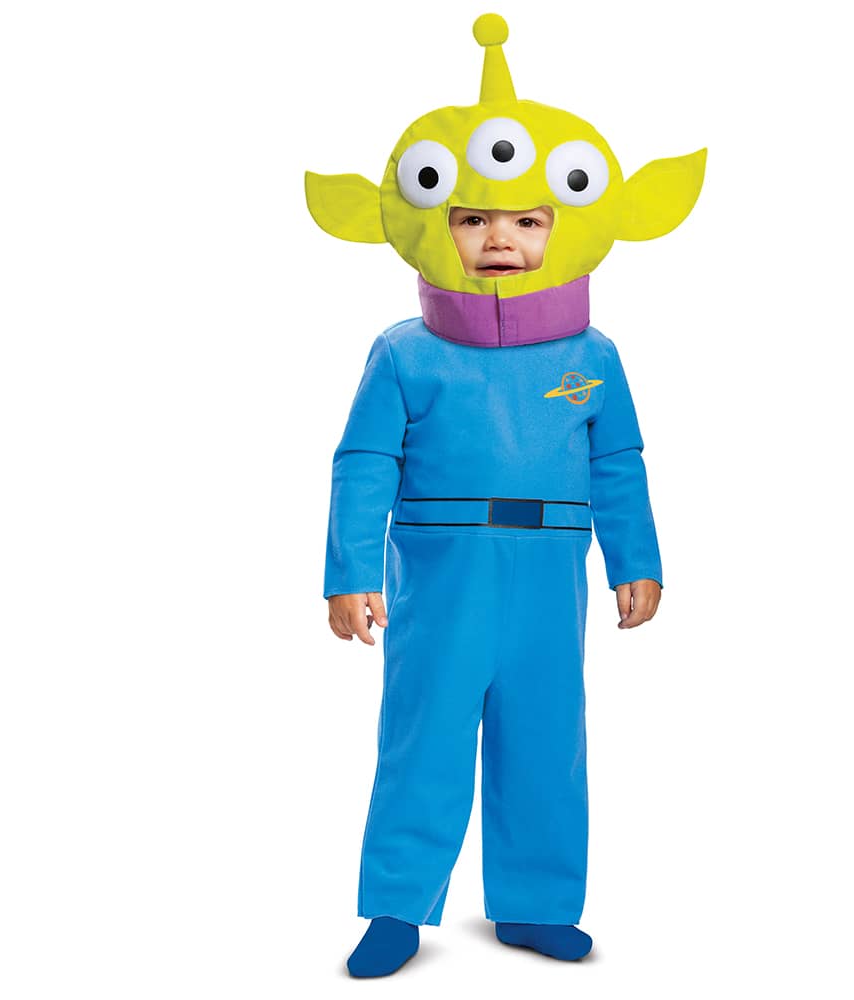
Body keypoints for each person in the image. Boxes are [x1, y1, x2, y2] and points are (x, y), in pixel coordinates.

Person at [305, 13, 706, 978]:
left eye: (528, 221)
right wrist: (350, 572)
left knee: (546, 735)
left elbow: (619, 462)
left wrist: (637, 560)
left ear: (563, 229)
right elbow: (364, 462)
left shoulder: (593, 355)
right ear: (438, 228)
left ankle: (536, 901)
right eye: (474, 218)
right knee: (425, 733)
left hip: (550, 569)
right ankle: (396, 906)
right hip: (441, 568)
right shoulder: (405, 352)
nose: (500, 240)